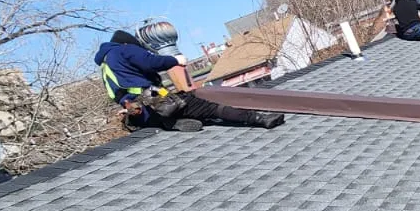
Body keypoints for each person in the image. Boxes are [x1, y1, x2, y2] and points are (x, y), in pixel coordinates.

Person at [97, 30, 285, 131]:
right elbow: (151, 62)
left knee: (180, 107)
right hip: (154, 97)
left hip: (138, 110)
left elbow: (116, 95)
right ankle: (260, 119)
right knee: (206, 107)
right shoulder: (123, 49)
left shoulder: (105, 65)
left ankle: (169, 122)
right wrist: (175, 60)